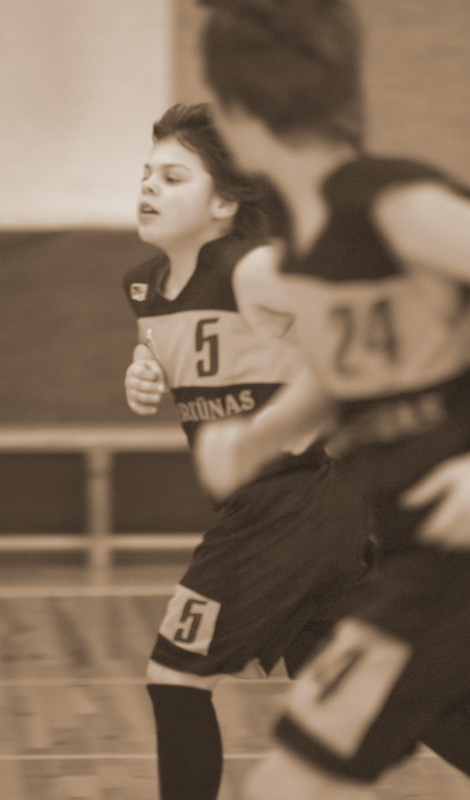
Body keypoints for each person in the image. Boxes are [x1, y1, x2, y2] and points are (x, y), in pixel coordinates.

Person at [195, 1, 470, 798]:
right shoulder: (304, 241)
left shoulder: (389, 200)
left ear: (236, 114)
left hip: (447, 572)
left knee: (290, 784)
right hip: (415, 560)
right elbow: (351, 371)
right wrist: (259, 435)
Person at [122, 101, 372, 800]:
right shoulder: (142, 287)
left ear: (224, 203)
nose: (149, 186)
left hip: (286, 505)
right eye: (146, 174)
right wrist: (141, 369)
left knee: (175, 678)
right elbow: (166, 348)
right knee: (368, 695)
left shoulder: (255, 270)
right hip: (307, 514)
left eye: (173, 177)